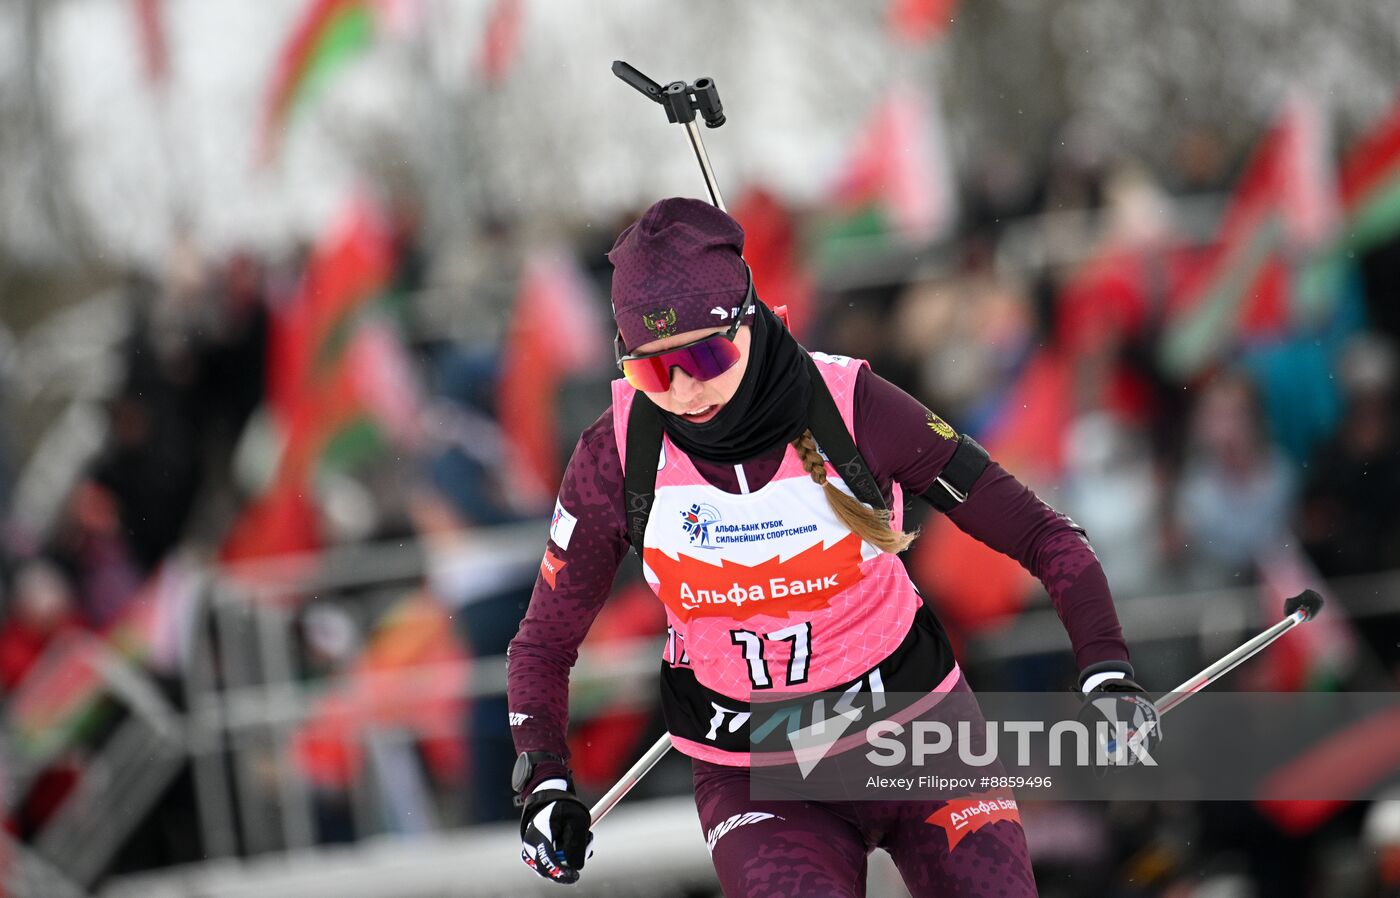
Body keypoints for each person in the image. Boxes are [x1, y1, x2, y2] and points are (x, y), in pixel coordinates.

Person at [506, 198, 1159, 896]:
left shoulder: (855, 407)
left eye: (705, 354)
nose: (687, 390)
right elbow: (543, 644)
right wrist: (544, 779)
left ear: (748, 320)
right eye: (653, 371)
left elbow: (1042, 533)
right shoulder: (617, 454)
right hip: (759, 776)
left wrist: (1105, 668)